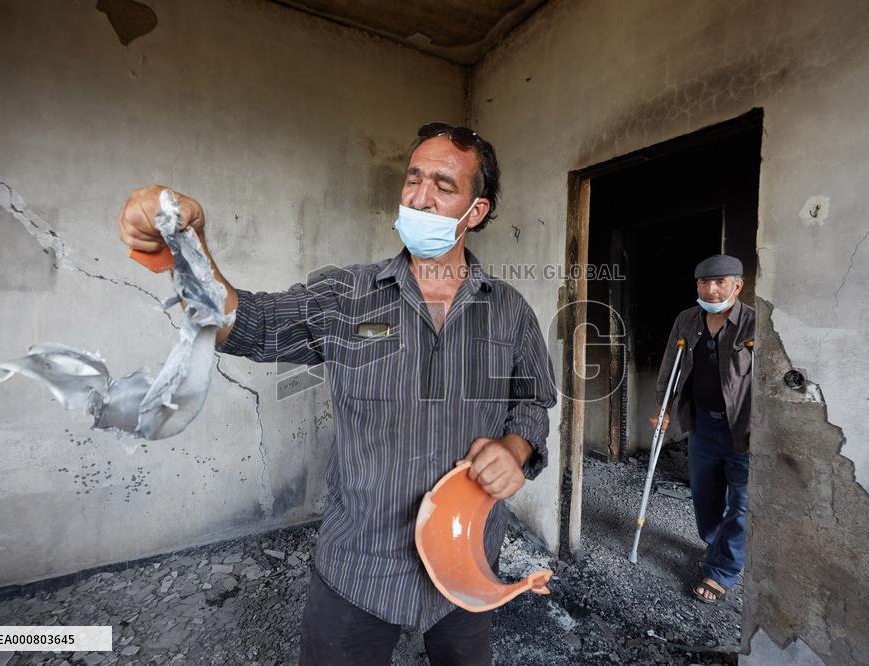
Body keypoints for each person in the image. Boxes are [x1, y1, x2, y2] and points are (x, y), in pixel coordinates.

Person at [116, 122, 557, 665]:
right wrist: (186, 246)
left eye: (444, 186)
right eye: (413, 179)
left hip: (467, 560)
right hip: (360, 567)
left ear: (476, 211)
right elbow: (243, 324)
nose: (420, 197)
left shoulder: (509, 311)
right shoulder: (346, 295)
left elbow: (532, 401)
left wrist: (514, 448)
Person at [652, 254, 754, 605]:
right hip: (701, 425)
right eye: (704, 282)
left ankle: (722, 570)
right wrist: (664, 408)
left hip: (743, 430)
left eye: (720, 282)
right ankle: (716, 546)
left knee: (741, 504)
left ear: (737, 286)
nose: (711, 290)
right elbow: (670, 367)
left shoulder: (754, 324)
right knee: (705, 496)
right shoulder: (687, 320)